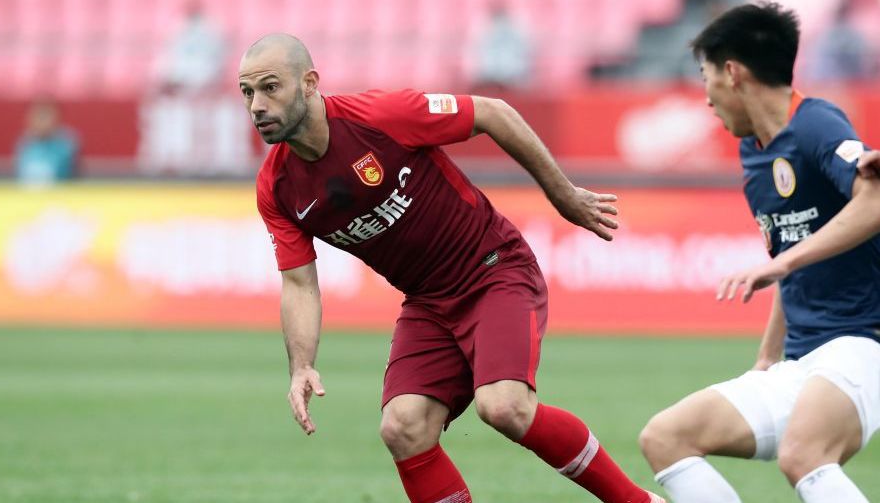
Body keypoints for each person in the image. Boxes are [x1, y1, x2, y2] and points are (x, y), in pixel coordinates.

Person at [245, 34, 663, 503]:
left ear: (309, 83)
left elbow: (493, 112)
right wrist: (302, 366)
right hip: (428, 302)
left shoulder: (379, 117)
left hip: (492, 268)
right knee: (403, 427)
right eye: (247, 92)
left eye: (270, 87)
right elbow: (299, 284)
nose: (257, 105)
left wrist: (563, 195)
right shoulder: (276, 188)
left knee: (504, 407)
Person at [638, 2, 880, 503]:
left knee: (804, 456)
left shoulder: (816, 124)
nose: (707, 98)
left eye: (705, 77)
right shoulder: (754, 154)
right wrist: (767, 358)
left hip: (862, 344)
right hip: (803, 360)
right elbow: (789, 256)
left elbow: (875, 201)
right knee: (665, 437)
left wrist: (782, 263)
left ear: (732, 73)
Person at [14, 99, 79, 185]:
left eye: (45, 116)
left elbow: (71, 178)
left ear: (56, 118)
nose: (41, 121)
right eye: (38, 116)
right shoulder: (24, 144)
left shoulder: (66, 146)